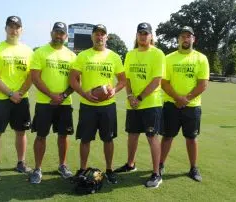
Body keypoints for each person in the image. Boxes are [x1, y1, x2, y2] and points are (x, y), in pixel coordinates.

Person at [69, 24, 126, 184]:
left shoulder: (114, 56)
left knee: (108, 139)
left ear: (106, 37)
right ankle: (82, 169)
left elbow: (122, 80)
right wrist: (84, 94)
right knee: (85, 139)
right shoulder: (83, 56)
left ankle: (109, 170)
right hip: (88, 106)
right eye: (97, 34)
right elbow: (72, 79)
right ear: (92, 37)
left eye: (102, 34)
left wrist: (114, 90)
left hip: (107, 106)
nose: (99, 37)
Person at [114, 23, 165, 188]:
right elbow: (127, 79)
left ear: (151, 36)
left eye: (146, 33)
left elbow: (157, 80)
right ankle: (130, 164)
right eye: (140, 33)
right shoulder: (130, 54)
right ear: (136, 35)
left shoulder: (157, 53)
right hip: (133, 103)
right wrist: (130, 96)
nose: (143, 36)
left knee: (152, 137)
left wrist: (140, 97)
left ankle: (156, 173)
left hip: (150, 104)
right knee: (132, 135)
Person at [0, 16, 33, 182]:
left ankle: (21, 163)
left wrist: (19, 93)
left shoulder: (28, 51)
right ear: (5, 28)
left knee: (21, 132)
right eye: (11, 26)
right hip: (1, 99)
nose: (14, 30)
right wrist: (10, 93)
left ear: (22, 30)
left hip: (21, 98)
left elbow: (31, 76)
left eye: (17, 27)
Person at [159, 26, 209, 182]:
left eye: (188, 36)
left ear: (193, 39)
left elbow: (203, 84)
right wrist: (178, 98)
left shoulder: (201, 58)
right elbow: (164, 83)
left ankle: (193, 168)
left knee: (191, 138)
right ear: (178, 39)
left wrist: (185, 99)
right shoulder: (168, 58)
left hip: (192, 106)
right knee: (167, 137)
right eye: (182, 36)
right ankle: (159, 165)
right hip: (171, 105)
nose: (185, 39)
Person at [29, 22, 76, 184]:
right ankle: (37, 169)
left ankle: (62, 166)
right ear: (51, 33)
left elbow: (76, 80)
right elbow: (35, 77)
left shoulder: (71, 56)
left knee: (63, 136)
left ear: (66, 36)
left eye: (62, 33)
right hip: (44, 103)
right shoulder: (40, 52)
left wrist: (62, 95)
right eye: (56, 32)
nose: (59, 35)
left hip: (64, 103)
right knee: (41, 136)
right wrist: (51, 95)